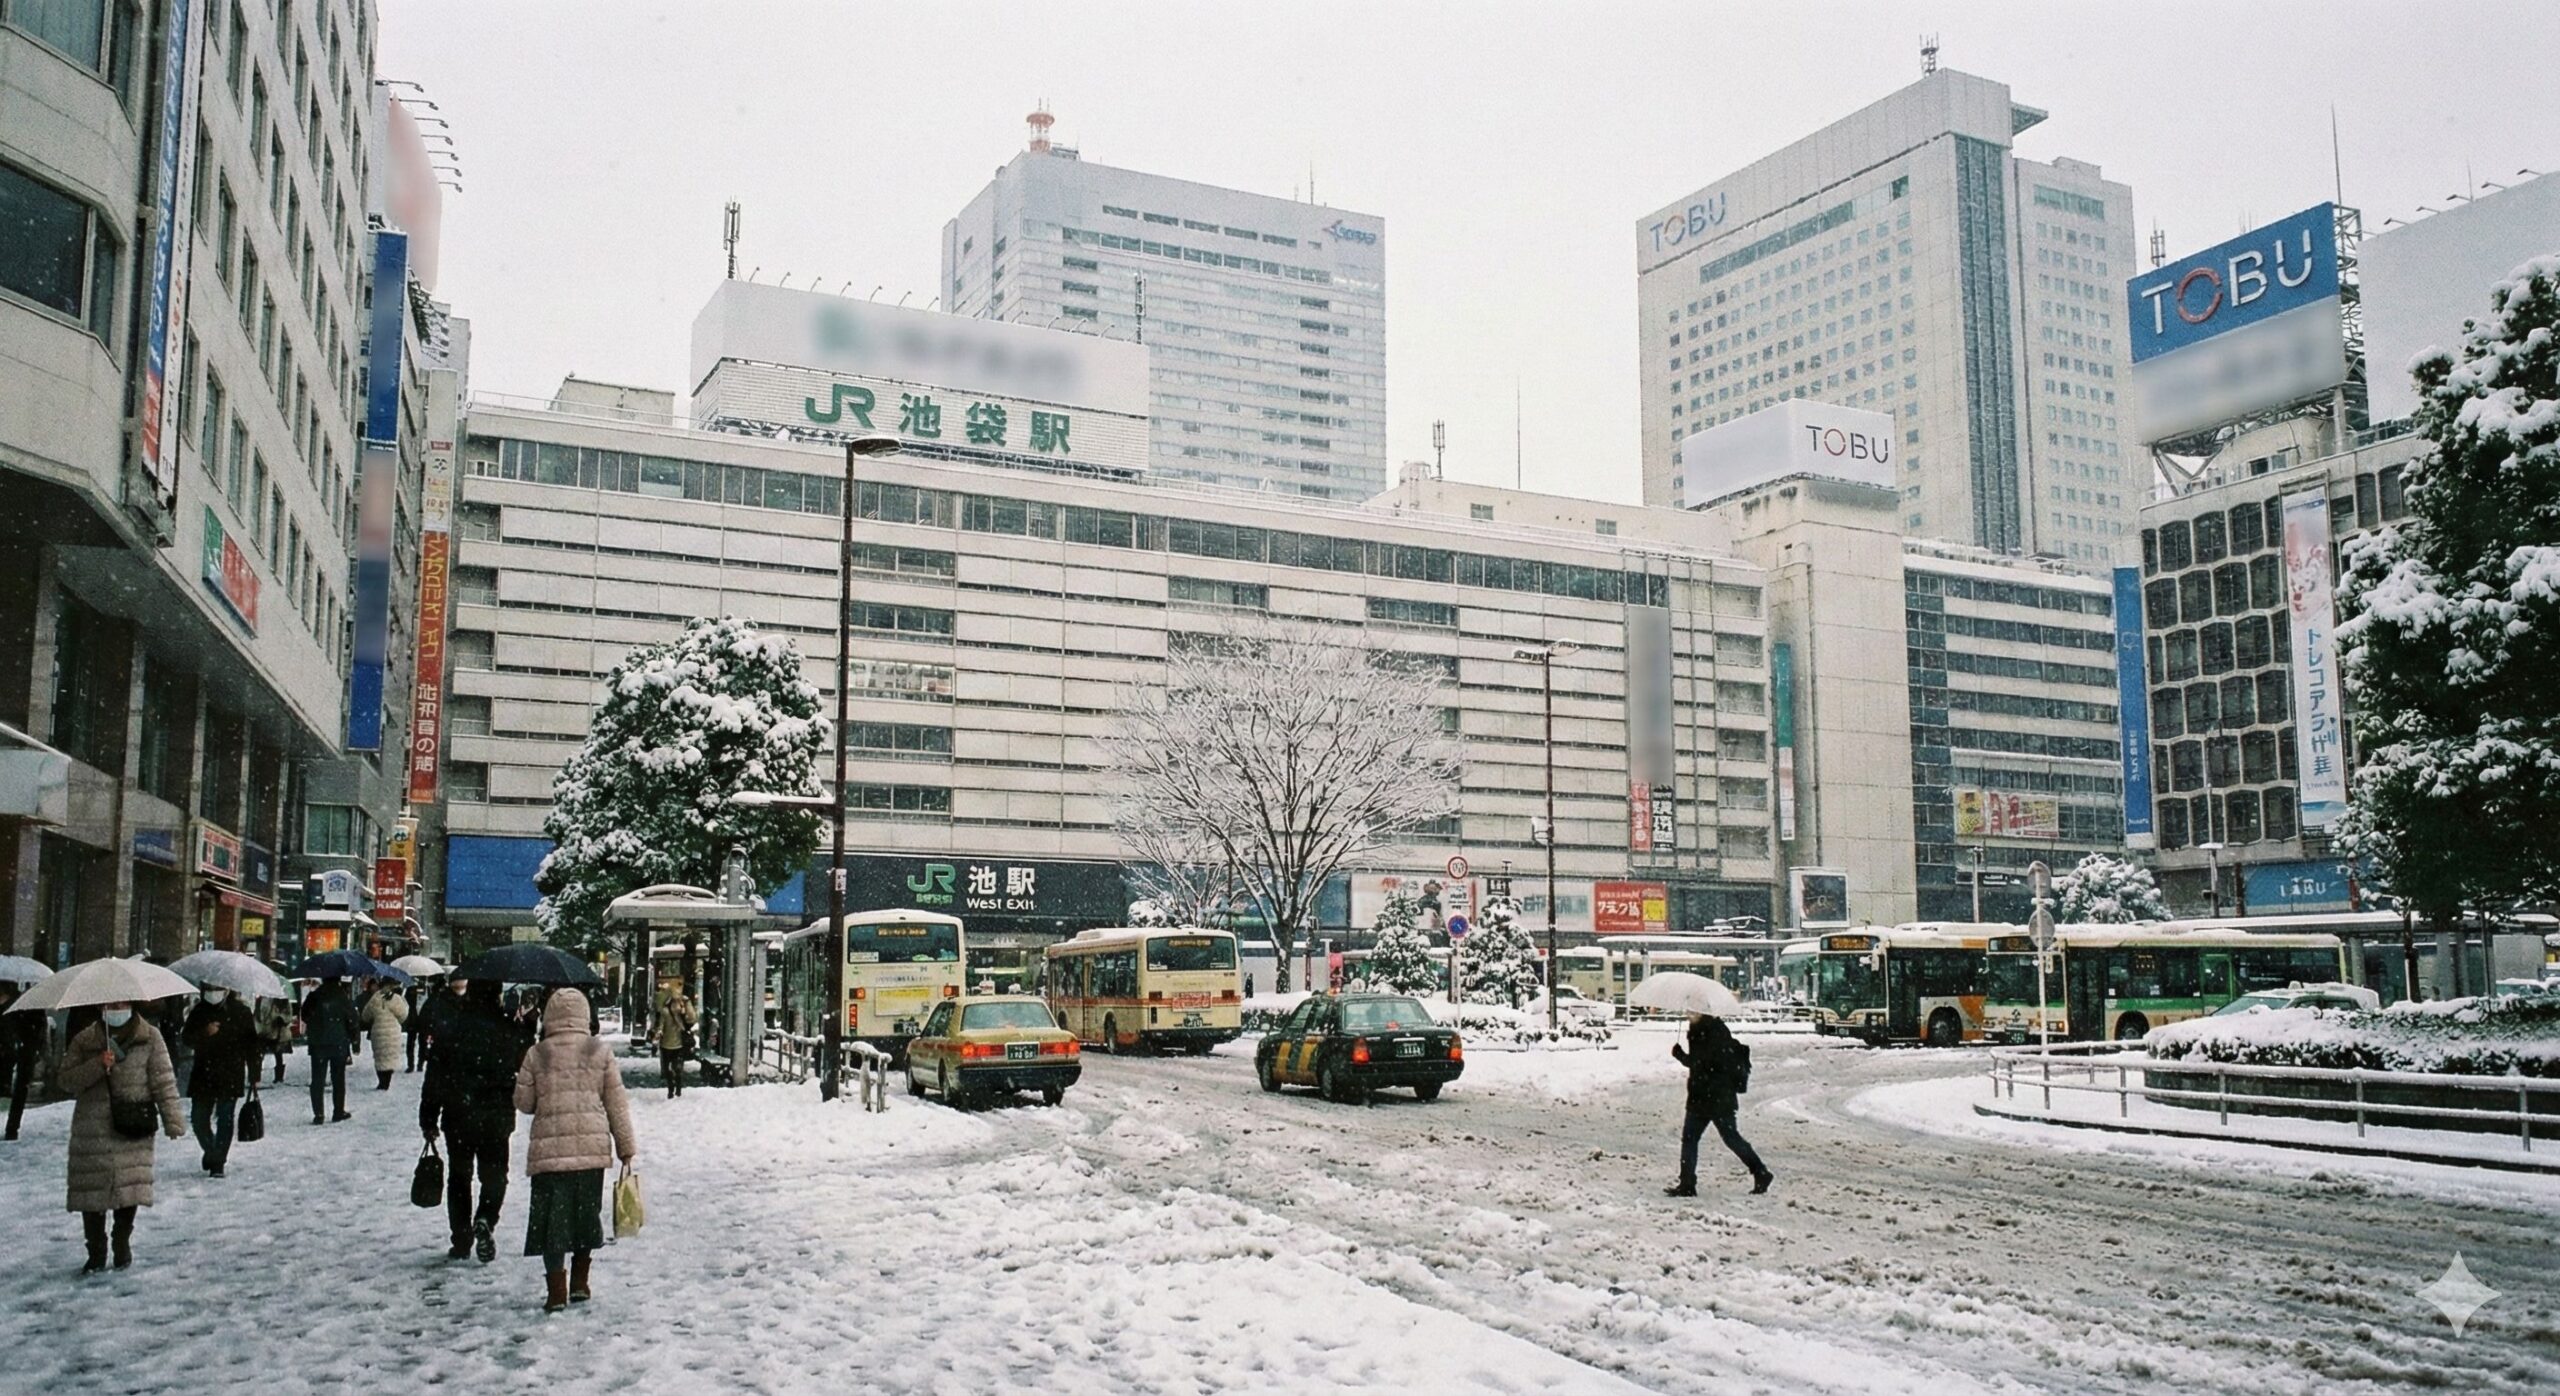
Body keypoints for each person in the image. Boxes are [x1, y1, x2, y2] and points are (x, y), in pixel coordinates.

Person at [515, 987, 636, 1314]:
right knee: (585, 1216)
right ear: (584, 1015)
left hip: (549, 1154)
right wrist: (626, 1146)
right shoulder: (599, 1051)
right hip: (590, 1150)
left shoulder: (537, 1053)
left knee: (551, 1224)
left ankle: (556, 1291)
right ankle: (580, 1283)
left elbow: (524, 1103)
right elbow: (616, 1103)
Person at [58, 998, 185, 1272]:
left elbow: (163, 1080)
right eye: (110, 1006)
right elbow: (66, 1080)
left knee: (130, 1186)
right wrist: (96, 1065)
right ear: (100, 1007)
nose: (116, 1011)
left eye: (121, 1005)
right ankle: (96, 1249)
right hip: (92, 1126)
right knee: (91, 1190)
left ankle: (121, 1239)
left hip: (133, 1122)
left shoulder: (150, 1037)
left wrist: (173, 1120)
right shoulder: (85, 1040)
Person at [422, 979, 529, 1264]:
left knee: (459, 1177)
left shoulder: (451, 1028)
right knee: (495, 1175)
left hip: (459, 1114)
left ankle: (461, 1239)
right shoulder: (507, 1029)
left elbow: (435, 1077)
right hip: (496, 1116)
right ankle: (486, 1217)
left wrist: (428, 1117)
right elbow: (522, 1065)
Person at [1667, 1012, 1771, 1197]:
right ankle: (1687, 1183)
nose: (1688, 1014)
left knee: (1709, 1138)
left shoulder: (1709, 1031)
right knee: (1714, 1138)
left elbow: (1702, 1063)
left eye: (1691, 1011)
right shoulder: (1709, 1029)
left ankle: (1688, 1183)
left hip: (1712, 1096)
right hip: (1712, 1096)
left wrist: (1681, 1056)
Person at [179, 987, 258, 1177]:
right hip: (204, 1073)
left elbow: (251, 1044)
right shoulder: (200, 1011)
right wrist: (204, 1032)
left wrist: (254, 1072)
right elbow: (186, 1038)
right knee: (199, 1119)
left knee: (225, 1118)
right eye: (210, 987)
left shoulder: (240, 1011)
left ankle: (218, 1161)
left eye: (218, 988)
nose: (213, 992)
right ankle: (211, 1150)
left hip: (230, 1072)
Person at [298, 976, 361, 1124]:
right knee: (338, 1079)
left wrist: (316, 1022)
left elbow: (304, 1015)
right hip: (338, 1042)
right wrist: (354, 1041)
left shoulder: (314, 996)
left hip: (318, 1043)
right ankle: (338, 1111)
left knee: (317, 1079)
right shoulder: (342, 997)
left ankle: (319, 1114)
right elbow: (352, 1019)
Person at [2, 979, 46, 1141]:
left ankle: (12, 1127)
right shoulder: (26, 1004)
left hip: (21, 1051)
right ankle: (12, 1127)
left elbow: (39, 1028)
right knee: (17, 1090)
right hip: (15, 1051)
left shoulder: (28, 1006)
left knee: (19, 1090)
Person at [361, 981, 409, 1091]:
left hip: (378, 1032)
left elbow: (365, 1016)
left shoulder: (375, 998)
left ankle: (382, 1081)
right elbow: (403, 1015)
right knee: (390, 1056)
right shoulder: (396, 999)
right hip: (393, 1032)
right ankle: (387, 1080)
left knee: (380, 1057)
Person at [652, 984, 696, 1100]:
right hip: (678, 1045)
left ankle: (672, 1089)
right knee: (677, 1068)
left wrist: (657, 1036)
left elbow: (660, 1027)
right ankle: (677, 1089)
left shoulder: (666, 1011)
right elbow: (692, 1019)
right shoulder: (681, 1011)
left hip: (666, 1045)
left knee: (668, 1069)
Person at [403, 984, 427, 1073]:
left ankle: (420, 1064)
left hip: (423, 1019)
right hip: (413, 1019)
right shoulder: (410, 989)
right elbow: (406, 1002)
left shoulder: (427, 989)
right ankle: (411, 1064)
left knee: (423, 1043)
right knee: (411, 1043)